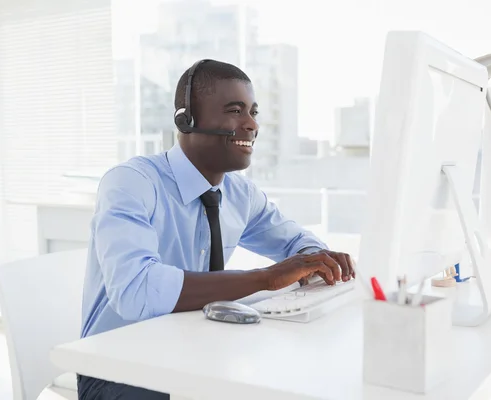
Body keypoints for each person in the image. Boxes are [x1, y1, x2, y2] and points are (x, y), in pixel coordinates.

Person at [77, 59, 355, 400]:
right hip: (118, 371)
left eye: (253, 111)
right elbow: (137, 291)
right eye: (235, 110)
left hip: (196, 355)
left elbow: (298, 243)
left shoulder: (240, 194)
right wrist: (267, 277)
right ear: (187, 119)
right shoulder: (132, 183)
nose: (251, 123)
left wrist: (317, 260)